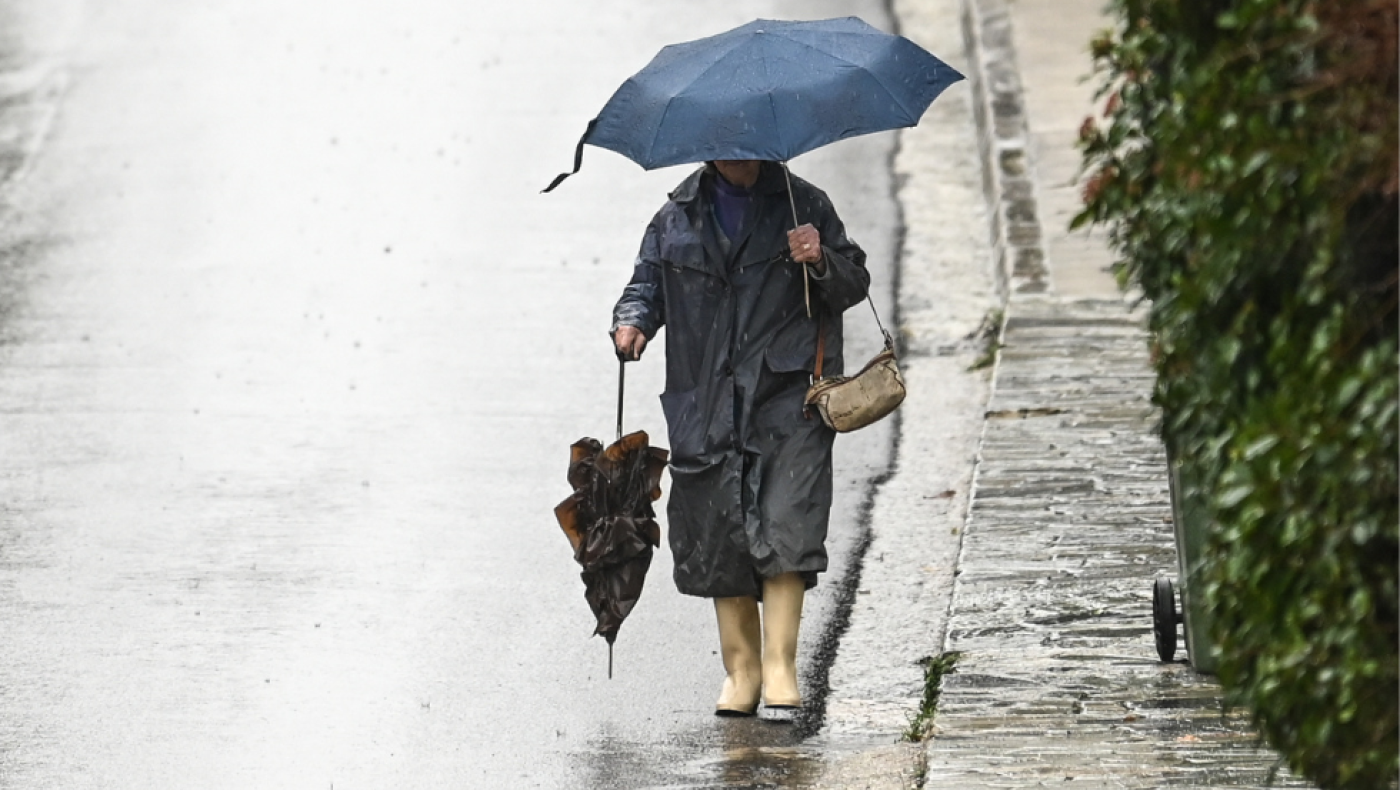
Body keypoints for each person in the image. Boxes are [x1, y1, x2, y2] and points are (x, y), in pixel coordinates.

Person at [610, 159, 869, 716]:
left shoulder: (806, 205)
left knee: (788, 520)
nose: (739, 156)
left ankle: (780, 666)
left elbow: (853, 282)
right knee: (719, 529)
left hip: (788, 393)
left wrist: (820, 258)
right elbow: (645, 285)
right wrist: (631, 321)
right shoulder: (674, 219)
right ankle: (742, 671)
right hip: (704, 398)